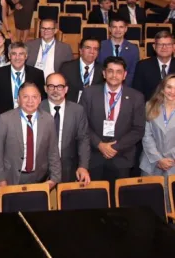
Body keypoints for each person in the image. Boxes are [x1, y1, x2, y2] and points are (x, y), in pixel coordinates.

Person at [82, 57, 146, 197]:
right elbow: (83, 124)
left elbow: (138, 129)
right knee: (93, 200)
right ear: (104, 73)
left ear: (124, 75)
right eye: (110, 71)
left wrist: (115, 147)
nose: (114, 75)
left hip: (122, 158)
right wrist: (99, 144)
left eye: (118, 72)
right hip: (94, 157)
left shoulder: (136, 97)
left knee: (119, 201)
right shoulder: (89, 93)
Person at [0, 82, 61, 187]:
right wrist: (0, 178)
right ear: (18, 99)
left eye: (34, 97)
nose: (30, 101)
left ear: (39, 99)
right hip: (11, 177)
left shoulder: (48, 120)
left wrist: (54, 178)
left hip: (40, 178)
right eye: (25, 97)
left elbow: (53, 151)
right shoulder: (5, 119)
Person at [40, 73, 91, 184]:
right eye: (51, 86)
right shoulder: (37, 109)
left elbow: (83, 139)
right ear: (45, 88)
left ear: (66, 89)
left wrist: (83, 166)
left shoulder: (77, 111)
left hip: (69, 168)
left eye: (59, 86)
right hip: (40, 169)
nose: (55, 90)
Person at [140, 74, 175, 210]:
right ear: (162, 88)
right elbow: (146, 135)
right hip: (151, 163)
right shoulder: (150, 106)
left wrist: (168, 159)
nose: (172, 92)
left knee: (171, 206)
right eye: (169, 87)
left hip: (173, 164)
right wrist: (158, 159)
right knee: (149, 206)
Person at [0, 42, 46, 114]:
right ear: (9, 56)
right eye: (14, 54)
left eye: (21, 54)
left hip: (30, 115)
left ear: (26, 56)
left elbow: (41, 99)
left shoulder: (37, 74)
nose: (17, 57)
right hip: (5, 116)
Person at [133, 31, 175, 101]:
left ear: (173, 47)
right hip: (149, 106)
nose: (164, 47)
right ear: (154, 47)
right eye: (160, 44)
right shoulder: (142, 66)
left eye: (168, 44)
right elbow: (137, 93)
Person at [60, 38, 104, 103]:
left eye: (95, 49)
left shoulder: (103, 70)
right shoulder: (66, 68)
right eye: (88, 48)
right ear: (80, 50)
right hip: (71, 106)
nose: (92, 52)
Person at [97, 18, 139, 87]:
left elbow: (133, 72)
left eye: (121, 27)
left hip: (125, 88)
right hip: (102, 87)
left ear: (126, 29)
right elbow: (97, 69)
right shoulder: (100, 46)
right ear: (110, 29)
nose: (118, 30)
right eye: (114, 27)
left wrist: (122, 87)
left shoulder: (133, 49)